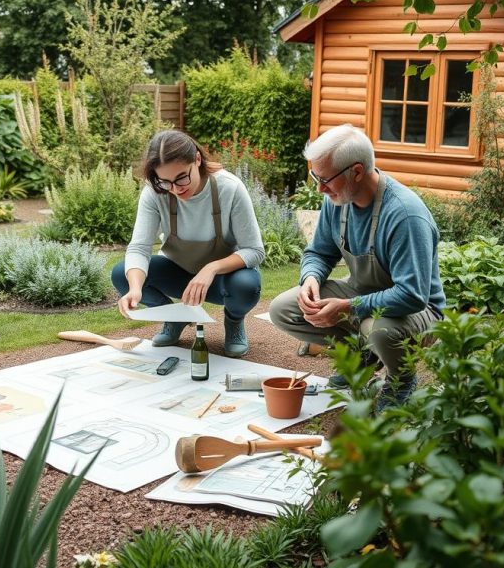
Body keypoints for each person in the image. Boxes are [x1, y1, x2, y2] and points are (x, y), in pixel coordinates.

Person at [269, 124, 445, 408]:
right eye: (316, 176)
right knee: (284, 309)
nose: (320, 187)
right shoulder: (337, 199)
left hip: (418, 311)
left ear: (357, 171)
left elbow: (413, 295)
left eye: (325, 179)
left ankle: (401, 379)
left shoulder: (404, 215)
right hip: (361, 292)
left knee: (377, 327)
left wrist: (347, 307)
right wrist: (311, 278)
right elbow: (319, 252)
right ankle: (362, 357)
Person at [112, 129, 265, 357]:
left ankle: (233, 322)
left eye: (182, 177)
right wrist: (135, 288)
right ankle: (174, 318)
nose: (176, 188)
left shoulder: (229, 188)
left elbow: (254, 251)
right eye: (165, 182)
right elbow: (139, 248)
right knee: (121, 273)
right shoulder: (155, 192)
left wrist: (211, 268)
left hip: (222, 280)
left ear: (197, 159)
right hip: (179, 273)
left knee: (247, 286)